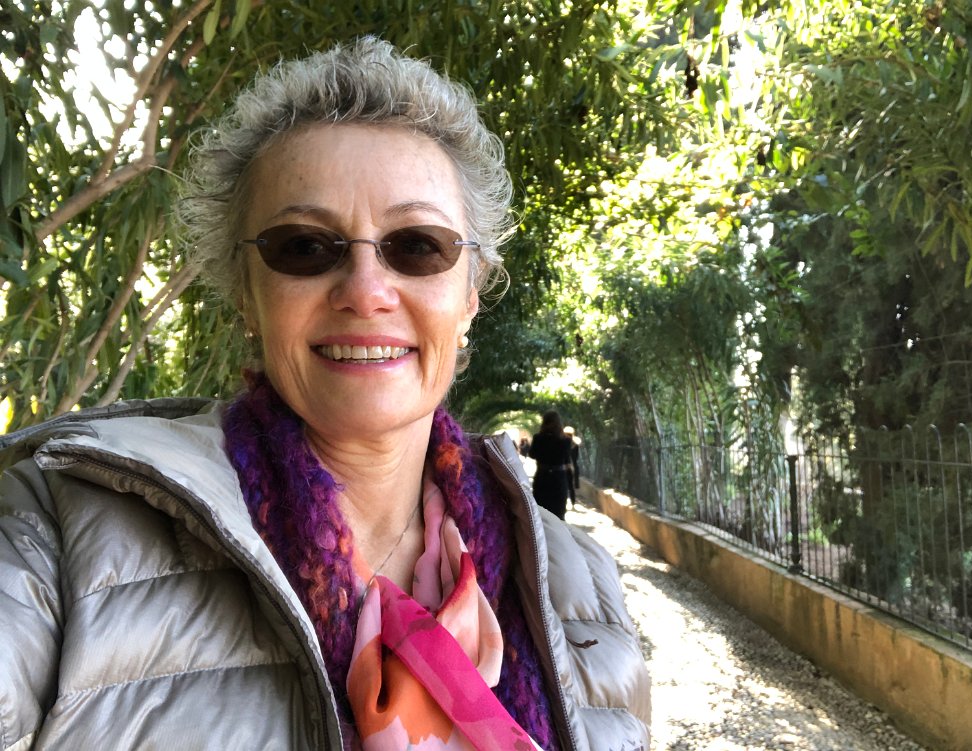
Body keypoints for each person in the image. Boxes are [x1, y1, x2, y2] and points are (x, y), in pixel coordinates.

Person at [0, 38, 650, 750]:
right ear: (247, 296)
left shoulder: (578, 584)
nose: (366, 292)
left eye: (417, 246)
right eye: (305, 248)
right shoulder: (61, 529)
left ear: (469, 295)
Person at [528, 410, 573, 520]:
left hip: (542, 477)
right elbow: (567, 460)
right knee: (558, 514)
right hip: (559, 479)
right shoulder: (566, 440)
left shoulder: (538, 438)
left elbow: (532, 454)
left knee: (541, 513)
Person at [564, 425, 582, 508]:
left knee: (570, 486)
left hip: (570, 467)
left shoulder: (574, 444)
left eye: (568, 434)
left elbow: (575, 457)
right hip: (566, 467)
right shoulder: (564, 443)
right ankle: (566, 502)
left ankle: (573, 502)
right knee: (566, 486)